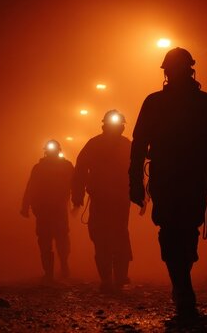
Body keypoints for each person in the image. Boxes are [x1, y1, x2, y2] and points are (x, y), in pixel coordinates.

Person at [129, 47, 207, 317]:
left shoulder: (166, 103)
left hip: (178, 177)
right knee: (177, 230)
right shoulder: (203, 103)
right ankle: (183, 287)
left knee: (181, 230)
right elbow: (139, 143)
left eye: (175, 70)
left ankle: (181, 281)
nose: (173, 75)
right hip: (181, 177)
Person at [72, 110, 133, 293]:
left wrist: (140, 193)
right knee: (106, 237)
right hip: (105, 199)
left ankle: (117, 277)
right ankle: (110, 278)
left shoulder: (123, 145)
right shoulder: (97, 144)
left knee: (113, 236)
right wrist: (77, 195)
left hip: (117, 199)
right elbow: (81, 169)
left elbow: (135, 170)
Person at [21, 139, 74, 283]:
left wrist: (76, 200)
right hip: (45, 210)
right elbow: (31, 187)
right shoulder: (40, 168)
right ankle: (50, 271)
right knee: (47, 241)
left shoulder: (66, 166)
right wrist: (25, 206)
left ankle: (62, 264)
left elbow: (75, 183)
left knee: (60, 239)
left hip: (56, 210)